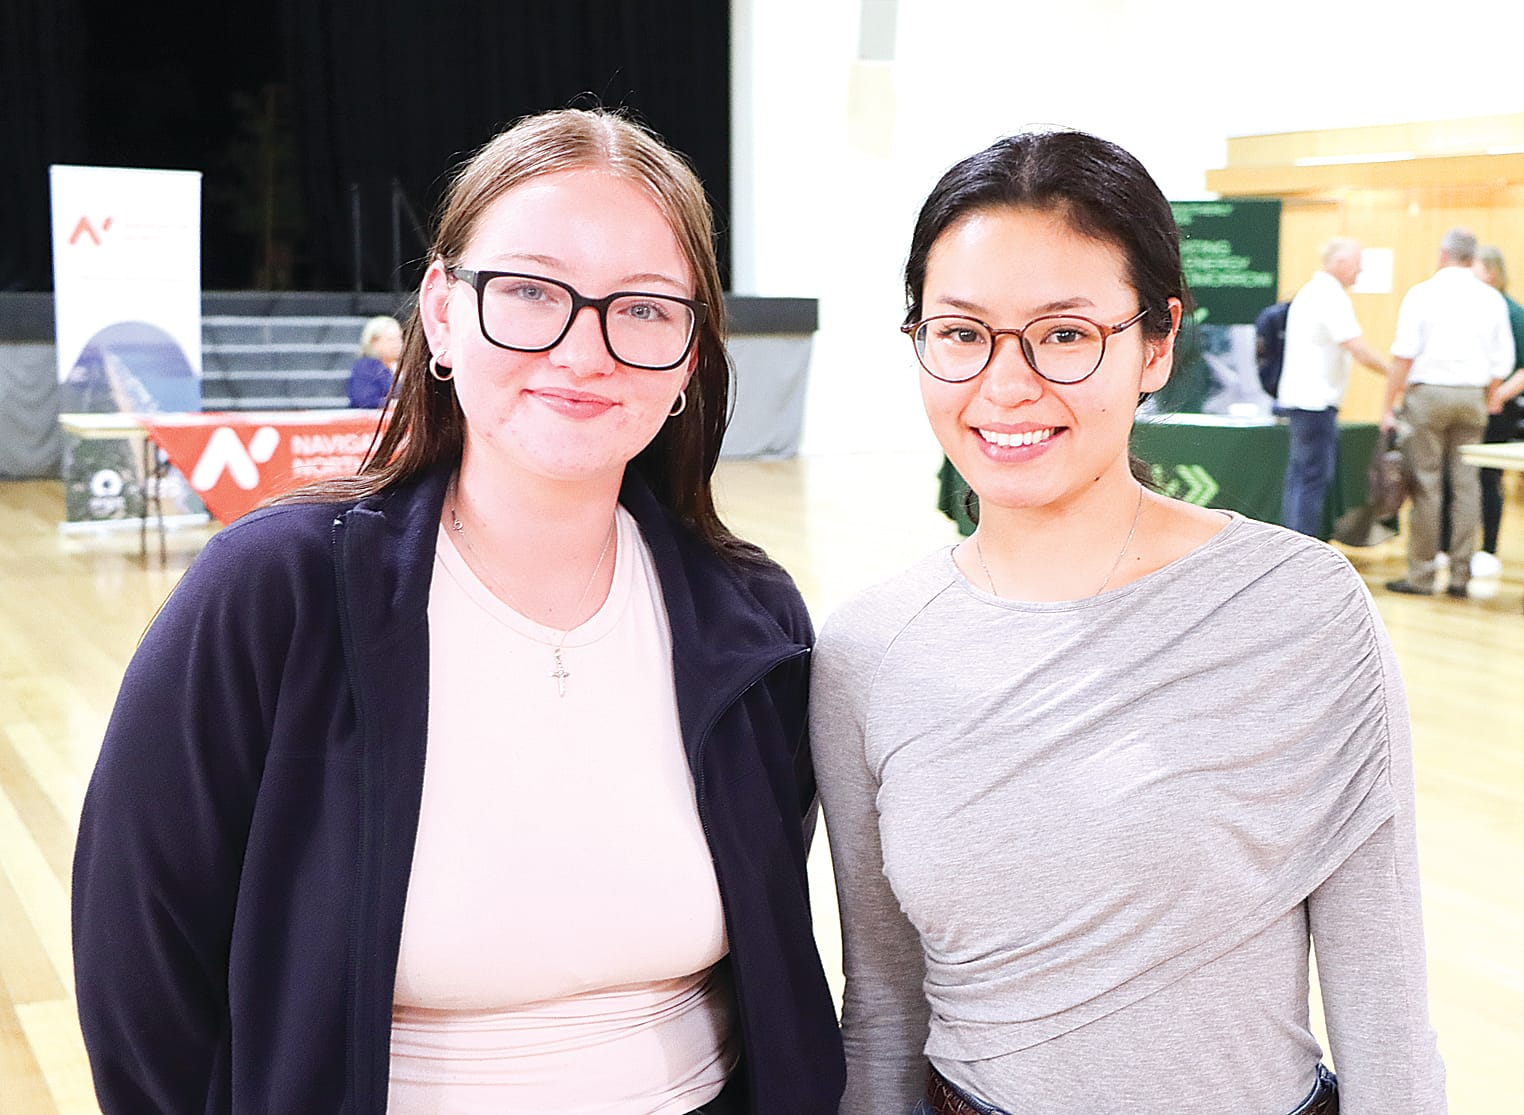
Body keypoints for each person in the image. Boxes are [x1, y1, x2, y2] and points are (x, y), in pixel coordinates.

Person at [72, 108, 845, 1115]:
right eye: (529, 290)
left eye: (645, 307)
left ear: (692, 352)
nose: (584, 347)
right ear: (442, 312)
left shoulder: (754, 618)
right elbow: (141, 963)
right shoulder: (271, 593)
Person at [811, 130, 1447, 1115]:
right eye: (961, 331)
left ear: (1156, 344)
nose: (1006, 383)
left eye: (1065, 334)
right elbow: (886, 1013)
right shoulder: (865, 650)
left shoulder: (1298, 606)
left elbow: (1386, 1007)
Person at [1382, 227, 1513, 597]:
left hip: (1428, 396)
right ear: (1473, 258)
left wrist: (1386, 404)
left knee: (1427, 485)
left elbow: (1403, 355)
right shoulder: (1491, 298)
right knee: (1467, 486)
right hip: (1471, 396)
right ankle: (1460, 576)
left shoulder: (1422, 294)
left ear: (1442, 255)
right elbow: (1500, 361)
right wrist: (1489, 396)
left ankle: (1422, 575)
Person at [1276, 237, 1391, 536]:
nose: (1361, 271)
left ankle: (1294, 543)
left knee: (1300, 476)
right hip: (1315, 402)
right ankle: (1303, 550)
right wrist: (1394, 374)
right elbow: (1357, 348)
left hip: (1304, 399)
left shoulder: (1312, 292)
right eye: (1357, 265)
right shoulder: (1330, 296)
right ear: (1341, 263)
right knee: (1312, 478)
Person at [1471, 245, 1524, 575]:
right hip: (1471, 403)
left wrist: (1499, 395)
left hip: (1499, 409)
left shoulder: (1512, 313)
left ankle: (1488, 549)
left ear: (1490, 271)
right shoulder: (1471, 307)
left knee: (1489, 478)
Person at [347, 313, 403, 408]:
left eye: (399, 338)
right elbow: (364, 400)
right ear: (374, 341)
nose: (397, 344)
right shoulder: (365, 367)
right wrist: (396, 405)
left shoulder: (406, 365)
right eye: (391, 340)